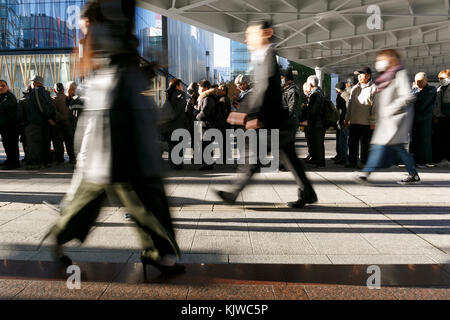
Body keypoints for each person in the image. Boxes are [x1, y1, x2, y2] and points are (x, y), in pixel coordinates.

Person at [41, 0, 184, 277]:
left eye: (85, 28)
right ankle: (157, 254)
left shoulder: (111, 32)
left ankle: (155, 253)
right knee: (132, 191)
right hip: (114, 117)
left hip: (117, 114)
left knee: (117, 191)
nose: (83, 36)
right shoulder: (109, 29)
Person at [216, 19, 317, 208]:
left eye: (250, 35)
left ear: (267, 33)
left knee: (253, 158)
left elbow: (266, 91)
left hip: (272, 122)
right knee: (288, 158)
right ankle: (308, 192)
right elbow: (262, 91)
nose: (247, 40)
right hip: (276, 121)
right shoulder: (263, 56)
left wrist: (250, 115)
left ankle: (233, 194)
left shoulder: (268, 55)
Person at [356, 49, 420, 185]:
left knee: (378, 146)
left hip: (396, 118)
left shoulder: (399, 73)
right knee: (398, 148)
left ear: (390, 60)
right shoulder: (386, 76)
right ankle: (413, 174)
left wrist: (391, 108)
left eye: (381, 60)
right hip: (388, 119)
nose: (378, 63)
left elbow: (408, 96)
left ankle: (366, 173)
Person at [345, 67, 377, 168]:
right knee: (352, 142)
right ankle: (352, 161)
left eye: (361, 74)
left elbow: (375, 106)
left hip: (367, 122)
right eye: (358, 75)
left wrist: (373, 122)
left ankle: (365, 162)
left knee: (365, 145)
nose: (358, 77)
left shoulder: (374, 88)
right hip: (354, 121)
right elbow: (350, 104)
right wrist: (347, 118)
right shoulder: (355, 88)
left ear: (368, 75)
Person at [24, 75, 56, 169]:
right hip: (45, 122)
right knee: (45, 142)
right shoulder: (46, 92)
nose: (31, 84)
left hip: (37, 121)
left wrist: (48, 118)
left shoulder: (36, 91)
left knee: (35, 143)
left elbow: (40, 105)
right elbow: (50, 106)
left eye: (31, 82)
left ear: (35, 82)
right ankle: (46, 162)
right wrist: (50, 119)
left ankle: (36, 163)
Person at [160, 78, 187, 170]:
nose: (182, 87)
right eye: (181, 85)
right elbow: (178, 110)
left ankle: (172, 163)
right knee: (179, 145)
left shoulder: (167, 94)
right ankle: (177, 164)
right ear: (177, 86)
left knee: (172, 144)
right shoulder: (181, 94)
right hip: (178, 124)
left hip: (168, 125)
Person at [410, 73, 436, 167]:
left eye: (421, 81)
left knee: (424, 141)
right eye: (417, 81)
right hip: (414, 119)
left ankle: (424, 160)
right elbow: (409, 101)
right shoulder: (414, 90)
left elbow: (422, 103)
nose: (418, 83)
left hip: (425, 119)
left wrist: (414, 95)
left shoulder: (431, 90)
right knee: (414, 140)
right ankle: (414, 160)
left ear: (426, 80)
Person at [196, 79, 219, 171]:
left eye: (199, 87)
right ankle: (207, 164)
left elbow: (205, 112)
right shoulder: (206, 97)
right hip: (207, 124)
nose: (198, 89)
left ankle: (208, 164)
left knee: (207, 144)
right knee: (206, 144)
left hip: (208, 124)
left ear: (205, 88)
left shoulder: (208, 98)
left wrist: (197, 116)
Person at [304, 75, 326, 168]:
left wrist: (306, 107)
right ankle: (316, 159)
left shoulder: (315, 94)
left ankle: (320, 162)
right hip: (319, 122)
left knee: (318, 142)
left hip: (317, 122)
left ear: (310, 84)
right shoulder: (319, 92)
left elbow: (313, 110)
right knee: (317, 142)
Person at [53, 83, 76, 164]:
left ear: (54, 90)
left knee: (58, 142)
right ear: (63, 89)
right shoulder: (68, 98)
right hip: (68, 123)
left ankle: (60, 159)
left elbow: (55, 113)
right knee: (69, 141)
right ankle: (72, 157)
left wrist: (61, 119)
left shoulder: (54, 99)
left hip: (59, 124)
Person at [0, 80, 20, 170]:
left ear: (7, 87)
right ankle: (9, 160)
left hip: (11, 125)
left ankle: (14, 163)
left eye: (3, 85)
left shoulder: (10, 96)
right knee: (6, 144)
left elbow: (3, 107)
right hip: (4, 125)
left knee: (11, 145)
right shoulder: (2, 96)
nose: (1, 87)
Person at [433, 69, 450, 164]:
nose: (441, 80)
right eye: (439, 78)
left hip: (448, 116)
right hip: (441, 117)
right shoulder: (439, 88)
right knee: (442, 138)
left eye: (443, 78)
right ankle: (442, 157)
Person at [334, 82, 348, 165]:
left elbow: (340, 109)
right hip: (344, 119)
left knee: (342, 140)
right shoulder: (346, 94)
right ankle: (342, 156)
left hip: (343, 120)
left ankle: (343, 158)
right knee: (343, 139)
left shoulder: (342, 96)